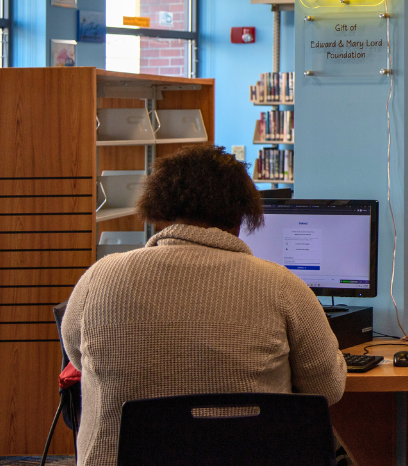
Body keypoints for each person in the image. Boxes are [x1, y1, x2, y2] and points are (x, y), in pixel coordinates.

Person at [62, 145, 347, 466]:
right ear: (242, 215)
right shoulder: (283, 285)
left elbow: (76, 355)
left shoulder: (100, 276)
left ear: (160, 209)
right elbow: (327, 388)